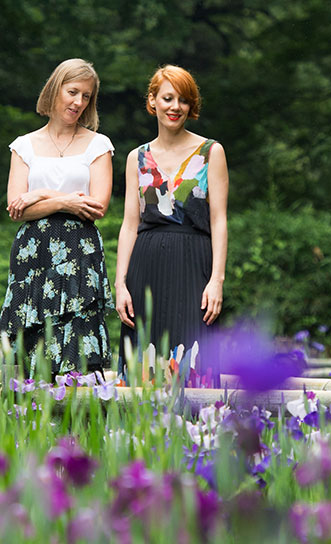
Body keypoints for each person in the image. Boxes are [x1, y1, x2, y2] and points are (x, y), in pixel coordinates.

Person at [0, 58, 115, 375]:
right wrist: (65, 201)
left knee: (76, 343)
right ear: (55, 89)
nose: (78, 102)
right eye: (73, 92)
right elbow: (16, 208)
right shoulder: (24, 146)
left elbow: (97, 206)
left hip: (80, 252)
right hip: (34, 254)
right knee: (32, 346)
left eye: (86, 96)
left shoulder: (98, 144)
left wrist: (41, 194)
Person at [115, 65, 229, 385]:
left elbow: (219, 220)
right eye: (167, 98)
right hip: (145, 270)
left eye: (183, 100)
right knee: (143, 369)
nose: (174, 106)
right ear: (153, 101)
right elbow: (128, 225)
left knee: (195, 366)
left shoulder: (211, 152)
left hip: (194, 268)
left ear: (191, 106)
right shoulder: (136, 158)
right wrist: (120, 283)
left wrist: (216, 280)